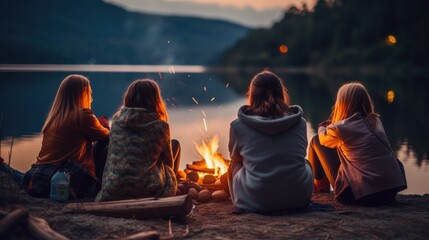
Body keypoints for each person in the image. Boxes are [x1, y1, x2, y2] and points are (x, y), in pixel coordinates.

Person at [226, 70, 313, 213]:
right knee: (305, 162)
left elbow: (236, 158)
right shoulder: (300, 123)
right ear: (281, 93)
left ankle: (242, 198)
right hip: (299, 199)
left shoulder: (238, 126)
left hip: (256, 201)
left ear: (252, 95)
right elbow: (300, 152)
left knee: (234, 164)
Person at [308, 82, 407, 206]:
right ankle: (320, 190)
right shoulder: (375, 121)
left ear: (342, 104)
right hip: (390, 192)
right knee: (345, 149)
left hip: (362, 195)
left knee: (316, 140)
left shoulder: (341, 128)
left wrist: (322, 126)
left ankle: (319, 191)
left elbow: (323, 140)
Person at [21, 74, 110, 198]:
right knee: (105, 142)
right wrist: (105, 124)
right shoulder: (82, 116)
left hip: (37, 176)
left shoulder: (53, 119)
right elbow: (106, 135)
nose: (92, 98)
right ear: (82, 94)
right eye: (89, 93)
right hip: (64, 178)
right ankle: (107, 184)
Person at [96, 79, 180, 202]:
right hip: (148, 189)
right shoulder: (160, 126)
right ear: (155, 100)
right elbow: (169, 163)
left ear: (129, 98)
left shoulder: (116, 121)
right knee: (175, 144)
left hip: (114, 188)